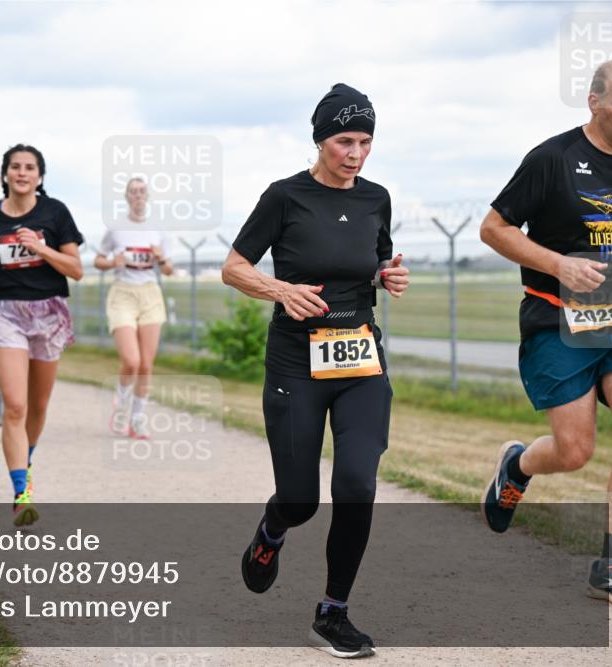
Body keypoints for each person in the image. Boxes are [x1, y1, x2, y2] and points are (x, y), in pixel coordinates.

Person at [222, 84, 410, 659]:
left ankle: (333, 613)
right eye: (343, 141)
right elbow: (233, 268)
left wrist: (387, 276)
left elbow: (376, 258)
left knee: (356, 484)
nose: (355, 153)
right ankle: (273, 530)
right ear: (320, 139)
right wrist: (278, 288)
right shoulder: (284, 197)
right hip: (295, 364)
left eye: (365, 141)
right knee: (301, 499)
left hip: (359, 359)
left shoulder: (377, 197)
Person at [479, 58, 612, 607]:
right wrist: (560, 264)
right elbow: (494, 229)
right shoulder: (553, 159)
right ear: (593, 102)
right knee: (575, 450)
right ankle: (517, 465)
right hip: (558, 318)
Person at [0, 144, 84, 526]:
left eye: (29, 167)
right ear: (5, 173)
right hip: (3, 311)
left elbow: (76, 269)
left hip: (49, 311)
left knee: (39, 406)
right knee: (15, 405)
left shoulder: (55, 213)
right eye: (15, 167)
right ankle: (21, 491)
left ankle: (25, 458)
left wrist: (40, 247)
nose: (22, 173)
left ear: (39, 176)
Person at [95, 177, 174, 439]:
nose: (138, 196)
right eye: (133, 192)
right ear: (127, 197)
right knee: (131, 360)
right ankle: (120, 405)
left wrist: (161, 258)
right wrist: (112, 262)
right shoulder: (116, 229)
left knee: (146, 365)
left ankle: (138, 418)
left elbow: (168, 270)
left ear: (147, 196)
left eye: (142, 191)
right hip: (123, 295)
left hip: (150, 295)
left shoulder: (158, 230)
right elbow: (98, 260)